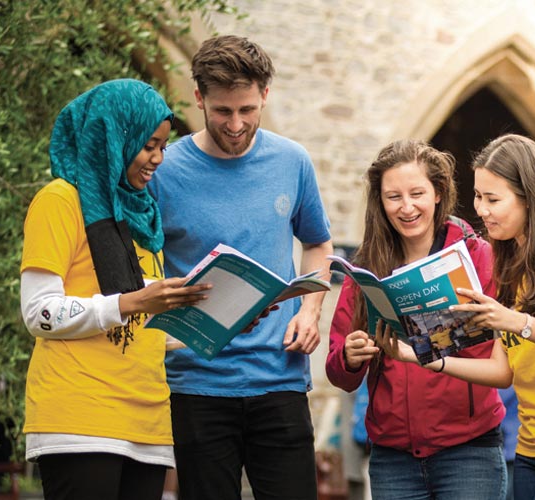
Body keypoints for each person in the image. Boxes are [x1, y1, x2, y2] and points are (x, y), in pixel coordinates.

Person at [376, 133, 535, 499]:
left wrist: (515, 321)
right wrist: (422, 357)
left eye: (493, 199)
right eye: (478, 197)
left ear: (528, 197)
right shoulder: (509, 260)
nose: (481, 209)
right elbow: (502, 372)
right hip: (532, 446)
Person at [149, 35, 333, 500]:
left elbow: (317, 244)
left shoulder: (292, 161)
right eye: (223, 111)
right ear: (198, 99)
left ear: (265, 95)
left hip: (280, 376)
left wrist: (309, 313)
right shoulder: (163, 171)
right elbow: (142, 274)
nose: (236, 124)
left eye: (247, 110)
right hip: (196, 382)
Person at [20, 79, 211, 500]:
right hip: (80, 419)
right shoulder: (60, 200)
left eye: (163, 146)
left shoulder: (141, 216)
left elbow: (142, 327)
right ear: (114, 137)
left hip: (147, 424)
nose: (159, 158)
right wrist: (135, 300)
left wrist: (227, 319)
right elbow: (40, 313)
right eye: (149, 145)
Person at [325, 139, 507, 500]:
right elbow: (337, 372)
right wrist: (349, 355)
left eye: (417, 193)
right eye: (393, 196)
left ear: (438, 193)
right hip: (393, 456)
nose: (406, 207)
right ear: (380, 200)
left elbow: (498, 358)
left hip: (467, 450)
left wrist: (432, 342)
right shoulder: (364, 268)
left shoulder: (477, 256)